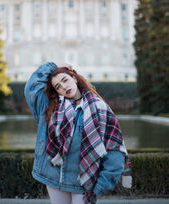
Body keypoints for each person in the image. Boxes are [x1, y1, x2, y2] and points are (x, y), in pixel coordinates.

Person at [24, 62, 132, 204]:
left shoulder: (100, 108)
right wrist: (53, 66)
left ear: (74, 78)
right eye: (58, 86)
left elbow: (114, 150)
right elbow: (31, 87)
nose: (63, 87)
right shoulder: (50, 106)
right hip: (53, 177)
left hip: (83, 182)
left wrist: (101, 185)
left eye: (65, 80)